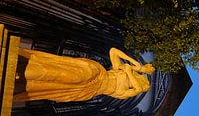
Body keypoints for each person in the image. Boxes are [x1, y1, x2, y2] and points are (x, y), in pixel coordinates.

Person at [13, 47, 154, 102]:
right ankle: (26, 68)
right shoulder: (120, 71)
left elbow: (138, 89)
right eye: (143, 80)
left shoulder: (124, 92)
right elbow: (113, 51)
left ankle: (20, 77)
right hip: (94, 73)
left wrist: (130, 71)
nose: (143, 84)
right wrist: (138, 66)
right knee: (70, 75)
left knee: (50, 86)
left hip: (90, 89)